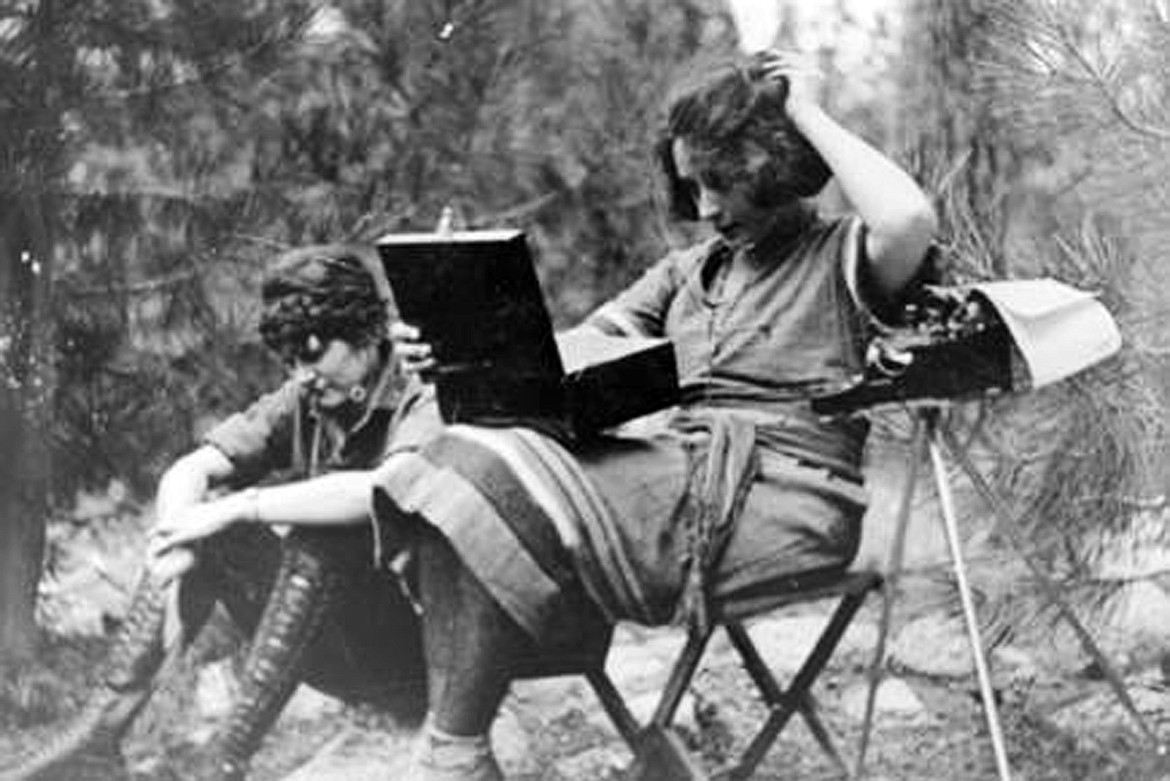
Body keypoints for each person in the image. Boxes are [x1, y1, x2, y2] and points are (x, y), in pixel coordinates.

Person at [371, 49, 940, 780]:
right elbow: (571, 351)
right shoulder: (690, 271)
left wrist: (805, 109)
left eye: (722, 182)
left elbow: (910, 216)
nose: (703, 207)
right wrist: (453, 349)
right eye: (691, 184)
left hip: (785, 501)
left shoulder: (841, 256)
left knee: (489, 480)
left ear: (775, 165)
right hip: (677, 479)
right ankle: (457, 748)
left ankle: (452, 756)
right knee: (459, 458)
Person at [5, 245, 434, 781]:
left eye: (315, 354)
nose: (303, 374)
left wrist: (242, 506)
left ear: (369, 334)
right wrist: (174, 540)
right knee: (202, 524)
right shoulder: (305, 397)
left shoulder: (425, 385)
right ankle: (99, 734)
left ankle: (224, 761)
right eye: (292, 360)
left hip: (423, 654)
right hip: (340, 652)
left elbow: (380, 491)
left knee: (318, 534)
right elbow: (191, 470)